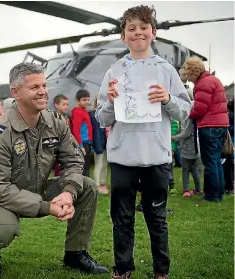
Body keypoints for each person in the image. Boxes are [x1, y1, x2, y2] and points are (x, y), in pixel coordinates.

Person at [0, 62, 108, 279]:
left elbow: (75, 159)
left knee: (88, 187)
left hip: (38, 187)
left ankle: (75, 253)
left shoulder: (55, 121)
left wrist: (67, 192)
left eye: (44, 85)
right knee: (1, 230)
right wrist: (48, 207)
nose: (43, 92)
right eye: (34, 87)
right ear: (15, 92)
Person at [95, 5, 191, 279]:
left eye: (143, 27)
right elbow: (101, 117)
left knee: (157, 219)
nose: (138, 33)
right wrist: (112, 102)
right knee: (122, 220)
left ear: (154, 33)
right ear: (123, 36)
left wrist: (168, 99)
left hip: (157, 158)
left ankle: (161, 272)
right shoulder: (114, 71)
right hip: (122, 158)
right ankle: (122, 269)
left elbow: (185, 112)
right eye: (131, 29)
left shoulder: (167, 71)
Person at [182, 56, 229, 202]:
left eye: (189, 76)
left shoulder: (203, 84)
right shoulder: (213, 80)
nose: (189, 79)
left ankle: (212, 195)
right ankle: (219, 193)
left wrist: (188, 114)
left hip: (209, 126)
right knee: (216, 161)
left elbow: (200, 108)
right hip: (220, 125)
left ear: (193, 72)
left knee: (209, 162)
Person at [90, 96, 109, 195]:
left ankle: (102, 183)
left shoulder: (105, 114)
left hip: (105, 144)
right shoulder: (94, 115)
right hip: (99, 144)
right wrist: (98, 147)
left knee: (104, 164)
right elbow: (96, 132)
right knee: (99, 165)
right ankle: (96, 185)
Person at [71, 89, 93, 177]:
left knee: (87, 165)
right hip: (83, 144)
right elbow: (76, 130)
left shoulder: (84, 111)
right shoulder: (77, 112)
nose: (87, 102)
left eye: (88, 99)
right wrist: (80, 145)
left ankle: (85, 186)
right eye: (84, 100)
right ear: (78, 101)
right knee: (84, 166)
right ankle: (83, 186)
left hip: (87, 142)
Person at [53, 94, 71, 176]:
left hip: (67, 146)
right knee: (58, 168)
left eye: (67, 105)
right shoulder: (54, 118)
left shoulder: (66, 118)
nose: (66, 107)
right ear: (56, 105)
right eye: (64, 105)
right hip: (58, 147)